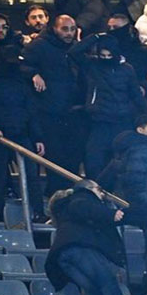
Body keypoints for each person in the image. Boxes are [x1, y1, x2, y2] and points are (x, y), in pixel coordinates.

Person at [45, 180, 142, 295]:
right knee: (107, 280)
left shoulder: (69, 208)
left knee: (95, 288)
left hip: (64, 255)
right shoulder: (81, 198)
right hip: (80, 249)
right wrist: (111, 214)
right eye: (100, 190)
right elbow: (89, 209)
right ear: (91, 189)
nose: (102, 195)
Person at [0, 45, 46, 222]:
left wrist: (37, 137)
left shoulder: (20, 81)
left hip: (20, 133)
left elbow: (30, 110)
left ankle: (38, 212)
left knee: (31, 176)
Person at [20, 15, 86, 196]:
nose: (69, 33)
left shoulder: (75, 48)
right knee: (55, 157)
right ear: (54, 28)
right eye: (65, 29)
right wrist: (33, 73)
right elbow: (22, 63)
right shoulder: (39, 46)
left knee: (73, 156)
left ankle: (71, 194)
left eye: (72, 29)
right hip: (48, 111)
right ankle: (55, 194)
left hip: (73, 111)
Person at [69, 32, 146, 180]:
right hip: (99, 121)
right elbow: (74, 52)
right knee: (94, 158)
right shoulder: (93, 65)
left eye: (108, 56)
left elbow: (135, 94)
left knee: (119, 159)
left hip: (121, 121)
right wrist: (96, 36)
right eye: (102, 56)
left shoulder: (127, 69)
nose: (105, 59)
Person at [104, 115, 147, 211]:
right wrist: (145, 202)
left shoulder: (128, 148)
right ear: (140, 130)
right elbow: (136, 178)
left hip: (125, 199)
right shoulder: (143, 149)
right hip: (141, 204)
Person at [106, 13, 147, 84]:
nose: (111, 30)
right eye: (109, 27)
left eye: (115, 27)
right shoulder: (105, 51)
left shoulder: (144, 52)